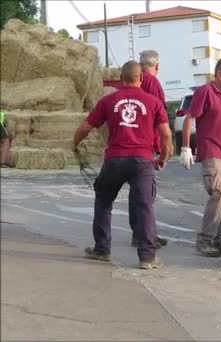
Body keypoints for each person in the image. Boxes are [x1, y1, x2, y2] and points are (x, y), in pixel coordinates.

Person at [72, 61, 173, 270]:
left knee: (103, 200)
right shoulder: (153, 102)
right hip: (143, 161)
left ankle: (102, 249)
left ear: (121, 78)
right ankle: (147, 257)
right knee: (144, 207)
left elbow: (85, 127)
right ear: (141, 78)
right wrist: (163, 158)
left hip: (115, 159)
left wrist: (75, 143)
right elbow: (166, 135)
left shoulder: (109, 101)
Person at [179, 58, 221, 258]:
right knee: (218, 193)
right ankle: (205, 239)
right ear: (220, 73)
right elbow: (190, 118)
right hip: (211, 150)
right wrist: (186, 147)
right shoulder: (205, 92)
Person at [131, 49, 168, 249]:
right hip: (146, 142)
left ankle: (139, 231)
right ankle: (145, 235)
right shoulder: (153, 83)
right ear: (157, 66)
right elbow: (159, 116)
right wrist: (162, 147)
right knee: (146, 192)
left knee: (136, 191)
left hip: (131, 139)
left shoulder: (134, 80)